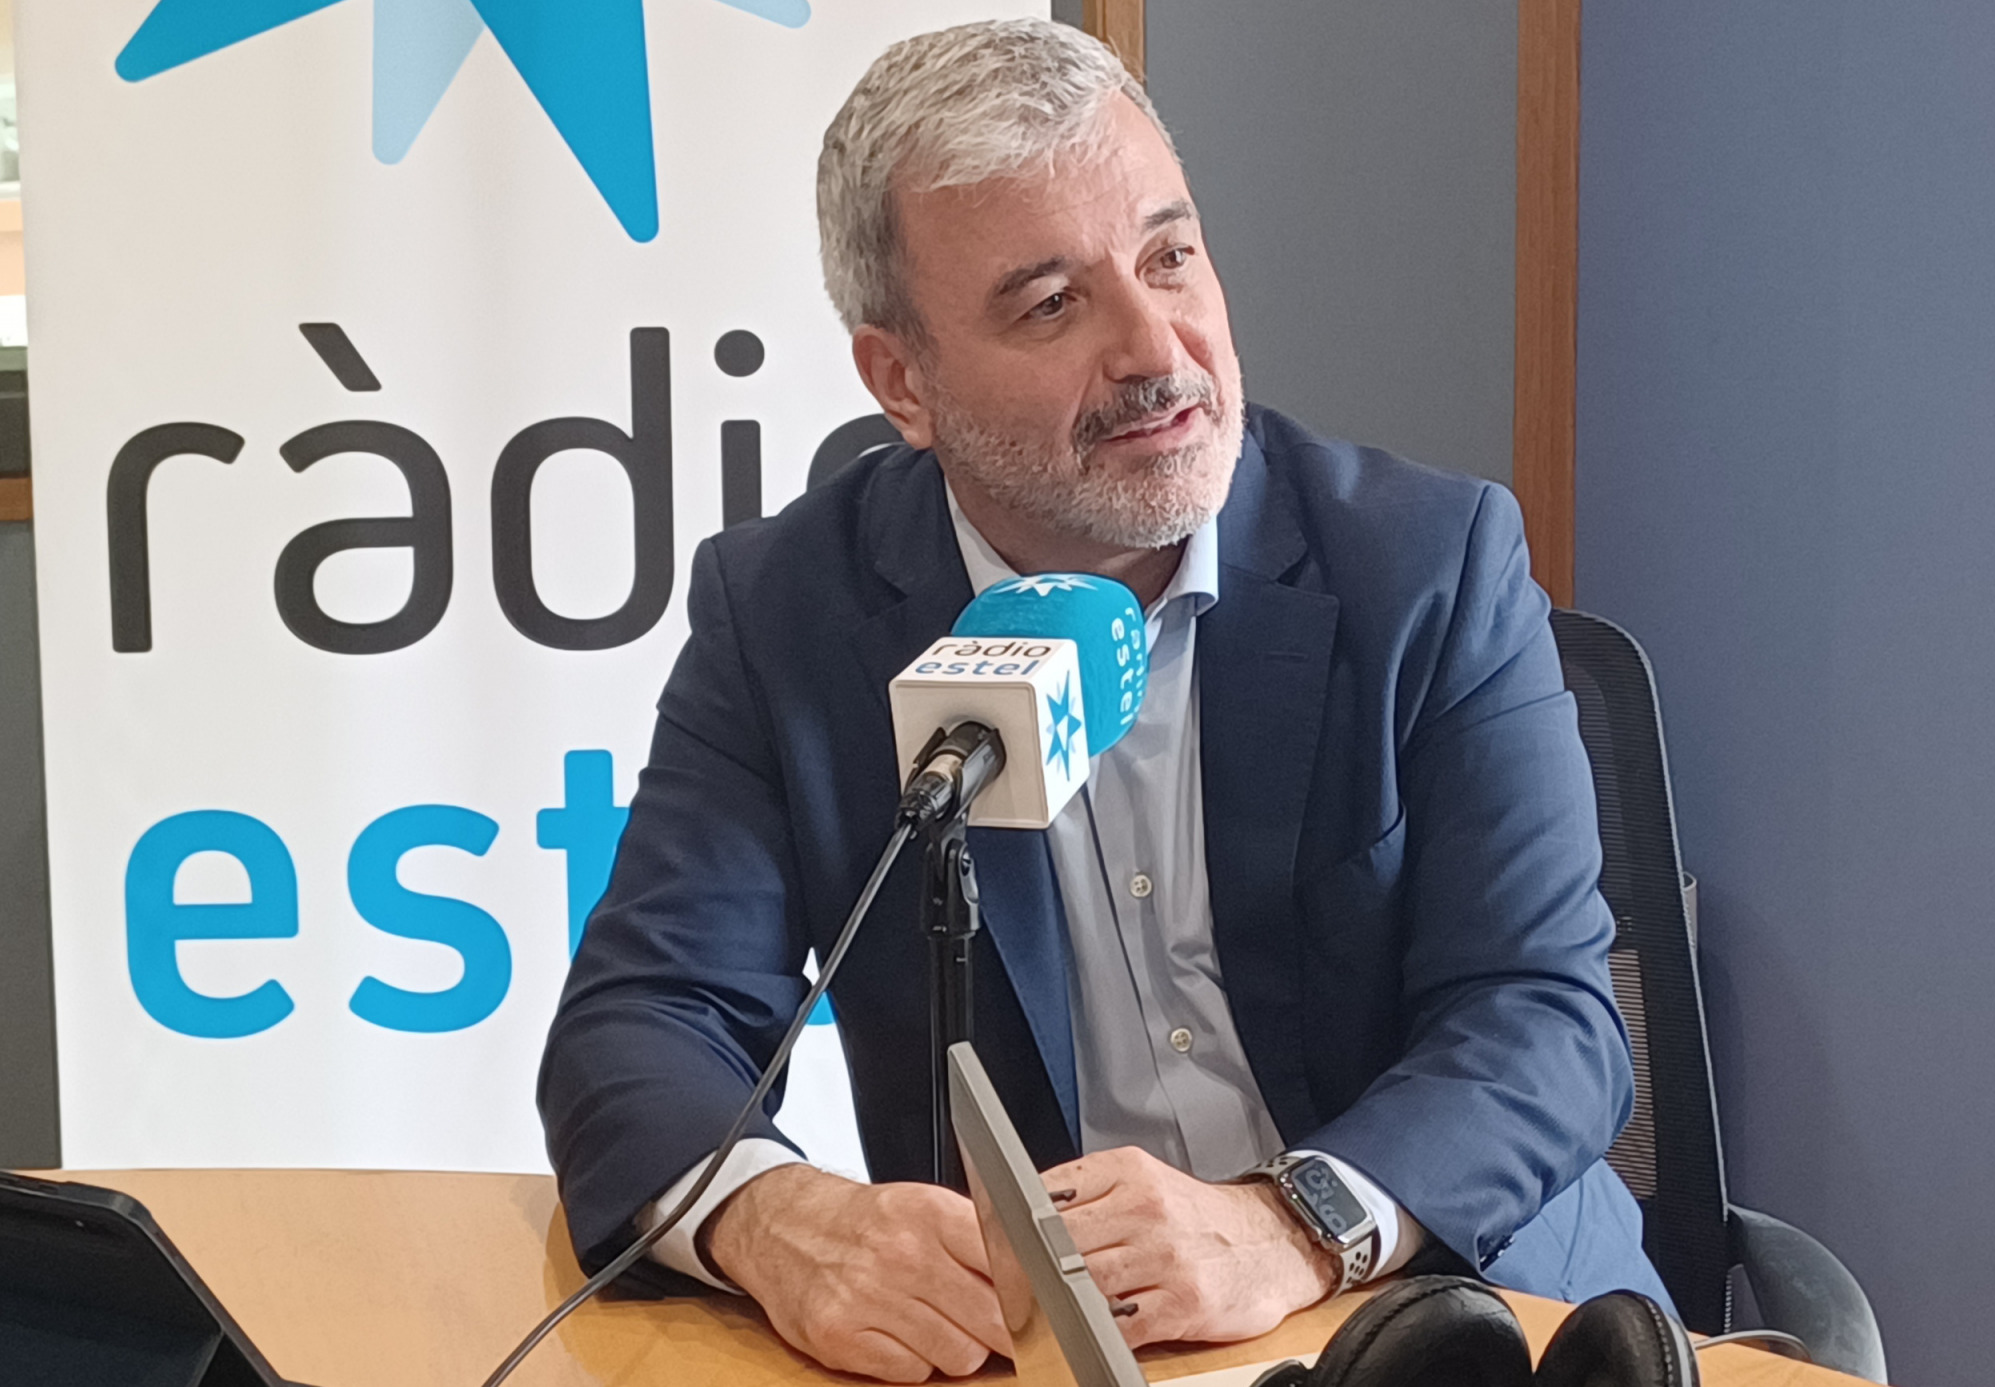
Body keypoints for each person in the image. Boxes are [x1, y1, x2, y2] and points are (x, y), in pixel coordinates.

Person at [540, 17, 1667, 1384]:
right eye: (1051, 305)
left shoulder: (1425, 566)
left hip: (1454, 1323)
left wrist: (1290, 1223)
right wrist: (777, 1221)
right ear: (903, 382)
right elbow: (642, 1022)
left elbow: (1544, 1020)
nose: (1154, 349)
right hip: (1063, 1357)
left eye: (1169, 258)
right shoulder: (791, 617)